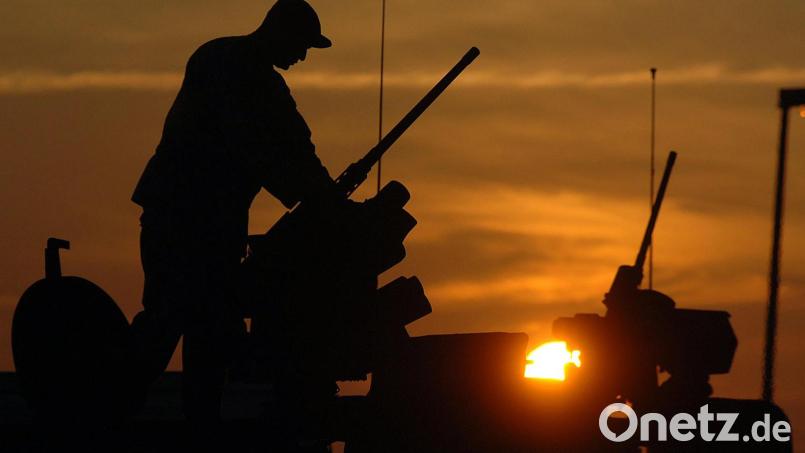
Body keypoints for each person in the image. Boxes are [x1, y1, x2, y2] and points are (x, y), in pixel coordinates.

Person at [129, 0, 337, 428]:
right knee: (169, 316)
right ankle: (107, 410)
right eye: (301, 45)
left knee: (208, 330)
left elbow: (297, 141)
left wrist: (326, 192)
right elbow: (248, 142)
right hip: (180, 217)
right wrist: (307, 192)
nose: (302, 56)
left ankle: (198, 427)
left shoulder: (262, 82)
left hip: (216, 226)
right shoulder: (224, 62)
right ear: (279, 31)